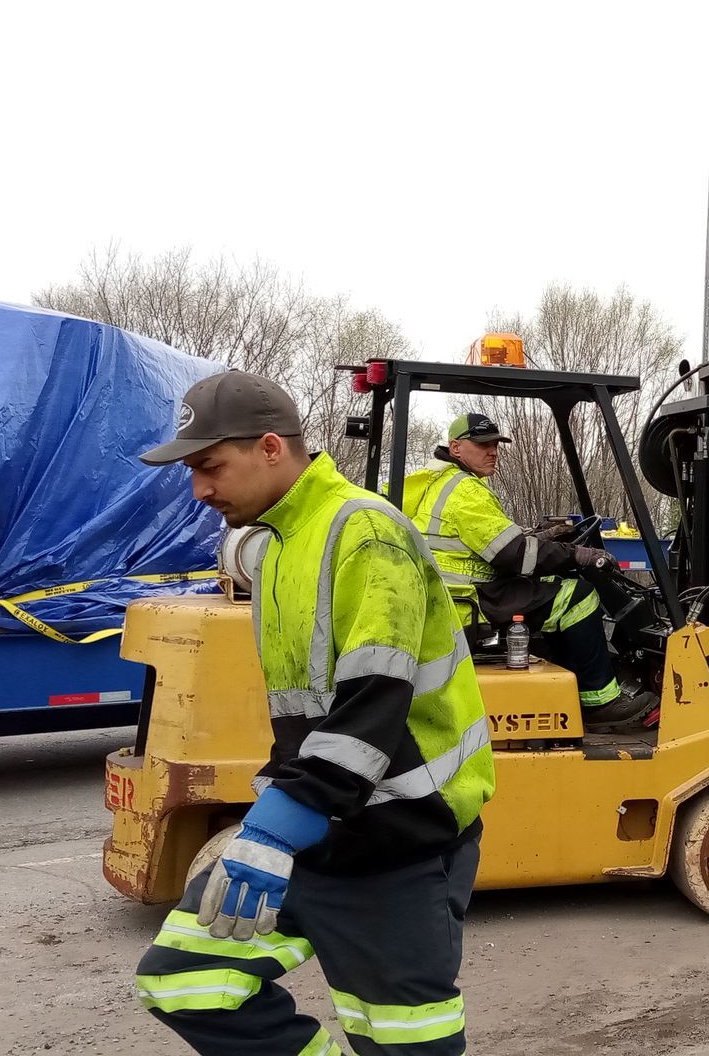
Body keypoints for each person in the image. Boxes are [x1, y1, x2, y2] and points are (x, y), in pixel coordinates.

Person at [132, 370, 492, 1056]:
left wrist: (273, 829)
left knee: (406, 1045)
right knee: (184, 979)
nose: (200, 490)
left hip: (396, 841)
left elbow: (371, 704)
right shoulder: (276, 545)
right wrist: (283, 823)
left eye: (210, 467)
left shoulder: (366, 533)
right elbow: (309, 712)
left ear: (271, 448)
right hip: (319, 827)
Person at [406, 412, 657, 729]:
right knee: (577, 596)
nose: (493, 451)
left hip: (451, 597)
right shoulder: (466, 492)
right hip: (469, 602)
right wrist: (577, 554)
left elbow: (490, 544)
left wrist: (541, 538)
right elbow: (515, 556)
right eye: (483, 444)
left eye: (495, 444)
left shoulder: (440, 485)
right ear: (455, 448)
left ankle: (566, 689)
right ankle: (599, 700)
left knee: (553, 581)